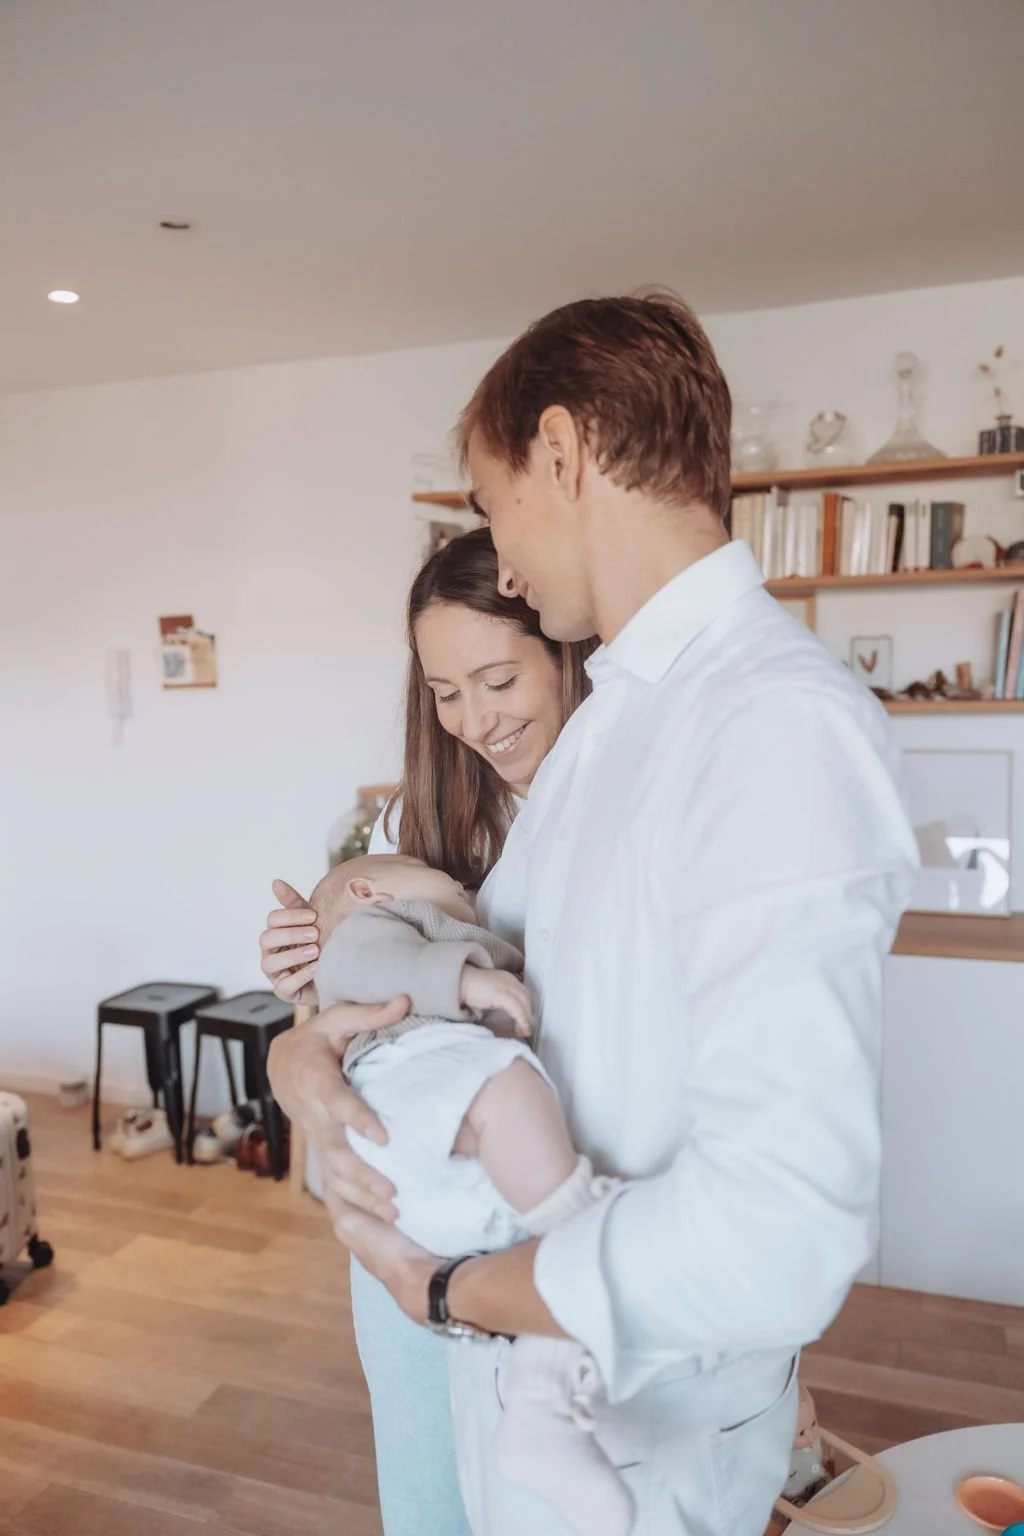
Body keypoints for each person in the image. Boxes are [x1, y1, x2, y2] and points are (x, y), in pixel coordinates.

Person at [269, 291, 918, 1536]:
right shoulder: (615, 721)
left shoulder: (771, 723)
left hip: (634, 1428)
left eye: (495, 502)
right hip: (524, 1384)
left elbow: (782, 1225)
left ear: (561, 455)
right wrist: (314, 1041)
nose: (502, 558)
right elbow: (488, 983)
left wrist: (458, 1291)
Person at [260, 527, 594, 1536]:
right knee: (425, 1498)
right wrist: (301, 1008)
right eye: (445, 693)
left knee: (555, 1487)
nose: (475, 721)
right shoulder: (424, 814)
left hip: (551, 1219)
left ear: (565, 654)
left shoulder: (607, 808)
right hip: (421, 1216)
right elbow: (349, 1011)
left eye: (496, 679)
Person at [310, 850, 631, 1536]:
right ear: (369, 889)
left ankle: (541, 1401)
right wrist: (470, 983)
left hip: (434, 1147)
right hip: (396, 1079)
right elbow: (358, 966)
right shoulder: (379, 925)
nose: (461, 887)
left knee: (526, 1259)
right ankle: (580, 1222)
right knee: (507, 1088)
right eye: (444, 880)